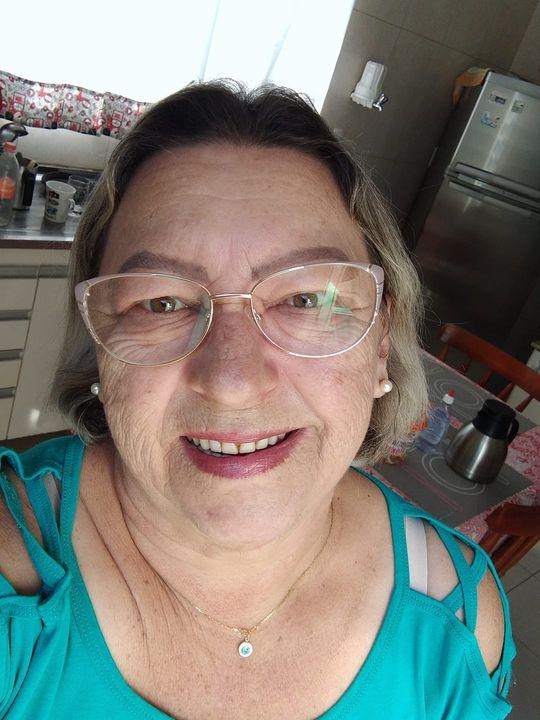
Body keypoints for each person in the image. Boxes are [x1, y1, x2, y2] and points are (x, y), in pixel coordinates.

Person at [0, 81, 514, 719]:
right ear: (101, 344)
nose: (232, 380)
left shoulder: (459, 625)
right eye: (162, 302)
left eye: (305, 299)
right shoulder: (16, 576)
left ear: (381, 341)